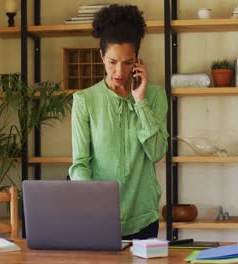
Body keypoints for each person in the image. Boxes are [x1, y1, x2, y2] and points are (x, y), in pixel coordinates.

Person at [68, 4, 169, 240]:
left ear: (137, 60)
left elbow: (157, 153)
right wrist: (93, 199)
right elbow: (80, 163)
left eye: (128, 62)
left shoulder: (154, 96)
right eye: (112, 61)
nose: (119, 71)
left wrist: (140, 101)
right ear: (101, 55)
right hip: (98, 218)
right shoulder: (84, 100)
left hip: (144, 217)